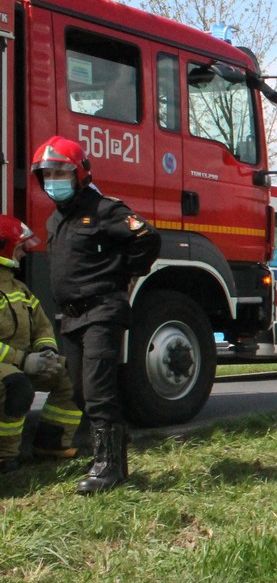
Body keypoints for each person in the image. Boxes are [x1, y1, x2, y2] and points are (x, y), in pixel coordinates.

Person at [31, 136, 160, 495]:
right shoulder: (55, 220)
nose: (53, 179)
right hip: (71, 317)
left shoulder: (104, 210)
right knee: (80, 390)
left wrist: (124, 273)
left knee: (100, 390)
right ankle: (109, 452)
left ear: (80, 174)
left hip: (102, 311)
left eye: (61, 172)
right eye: (47, 174)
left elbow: (147, 238)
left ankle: (110, 469)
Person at [0, 217, 82, 473]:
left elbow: (42, 326)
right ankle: (5, 458)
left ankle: (51, 443)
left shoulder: (19, 289)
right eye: (20, 247)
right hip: (9, 367)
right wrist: (23, 361)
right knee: (16, 387)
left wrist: (47, 352)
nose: (25, 252)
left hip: (22, 362)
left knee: (73, 376)